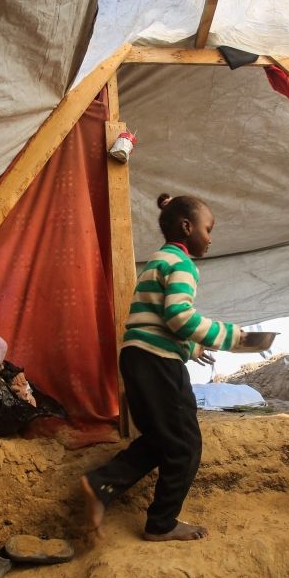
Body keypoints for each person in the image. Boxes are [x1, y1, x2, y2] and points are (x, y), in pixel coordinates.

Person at [81, 193, 242, 542]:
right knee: (185, 445)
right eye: (208, 229)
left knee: (161, 439)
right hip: (158, 362)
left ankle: (100, 484)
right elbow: (179, 316)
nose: (211, 238)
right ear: (187, 227)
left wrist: (190, 344)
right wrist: (232, 337)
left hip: (138, 356)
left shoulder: (158, 260)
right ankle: (162, 523)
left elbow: (157, 320)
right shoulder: (183, 265)